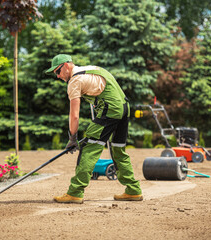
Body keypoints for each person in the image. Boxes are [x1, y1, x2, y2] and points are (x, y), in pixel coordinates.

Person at [46, 54, 142, 204]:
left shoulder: (75, 81)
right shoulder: (91, 69)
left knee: (88, 148)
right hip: (124, 108)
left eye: (57, 72)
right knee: (117, 149)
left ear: (65, 65)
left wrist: (72, 138)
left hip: (110, 110)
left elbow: (74, 115)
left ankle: (75, 192)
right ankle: (133, 190)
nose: (58, 76)